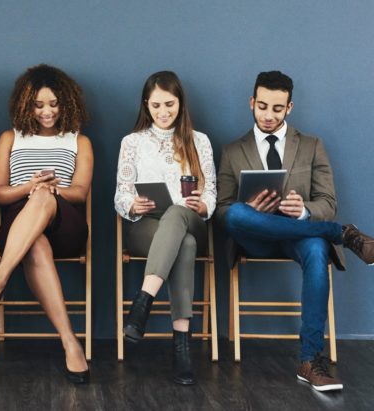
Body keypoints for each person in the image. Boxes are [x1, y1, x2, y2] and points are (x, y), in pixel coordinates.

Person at [216, 70, 374, 392]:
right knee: (234, 213)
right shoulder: (232, 151)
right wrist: (251, 212)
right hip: (254, 238)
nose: (268, 115)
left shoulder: (313, 146)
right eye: (262, 107)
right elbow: (220, 211)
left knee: (316, 249)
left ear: (289, 107)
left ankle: (310, 359)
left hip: (299, 238)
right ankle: (342, 233)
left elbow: (328, 201)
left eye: (277, 108)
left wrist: (302, 211)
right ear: (252, 103)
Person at [0, 64, 93, 384]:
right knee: (35, 241)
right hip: (20, 225)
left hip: (66, 222)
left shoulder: (79, 141)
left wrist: (49, 190)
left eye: (54, 104)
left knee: (44, 197)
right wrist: (29, 187)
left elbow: (80, 192)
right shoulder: (10, 138)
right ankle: (70, 342)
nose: (47, 111)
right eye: (39, 105)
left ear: (67, 103)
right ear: (26, 105)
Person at [116, 71, 216, 385]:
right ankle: (182, 348)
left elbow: (211, 190)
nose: (163, 112)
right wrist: (133, 205)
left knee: (179, 215)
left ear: (180, 103)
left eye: (169, 104)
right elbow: (120, 192)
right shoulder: (131, 142)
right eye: (156, 105)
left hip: (191, 219)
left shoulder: (199, 141)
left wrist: (203, 205)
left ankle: (143, 301)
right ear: (146, 106)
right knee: (182, 244)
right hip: (147, 226)